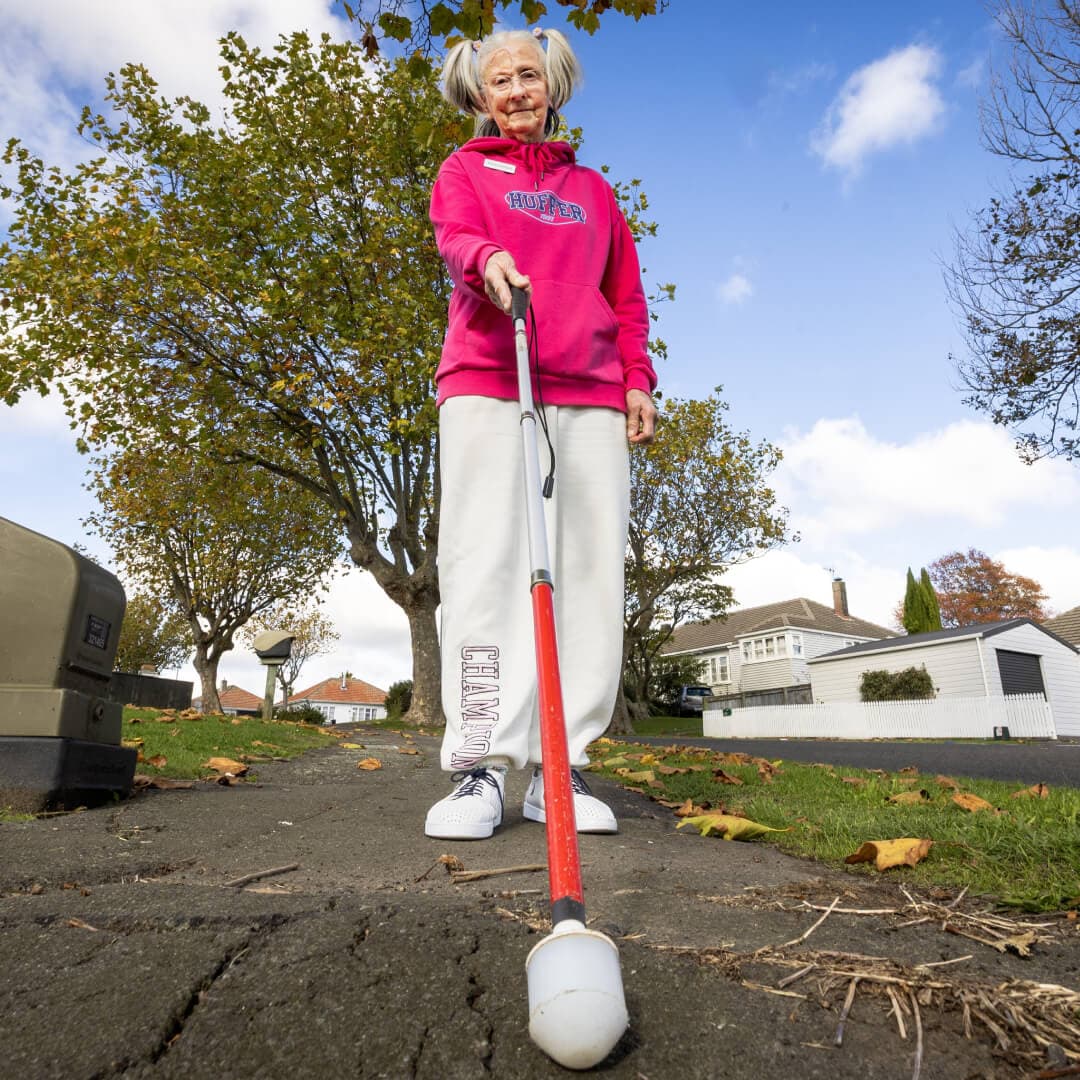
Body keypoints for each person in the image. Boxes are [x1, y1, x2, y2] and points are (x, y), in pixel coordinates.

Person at [424, 27, 657, 841]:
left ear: (552, 86)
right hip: (491, 376)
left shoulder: (592, 190)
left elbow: (625, 297)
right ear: (481, 97)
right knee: (484, 564)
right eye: (501, 81)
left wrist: (638, 379)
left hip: (589, 388)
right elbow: (455, 237)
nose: (517, 90)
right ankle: (481, 766)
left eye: (530, 75)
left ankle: (563, 765)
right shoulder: (464, 170)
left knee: (589, 573)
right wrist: (486, 262)